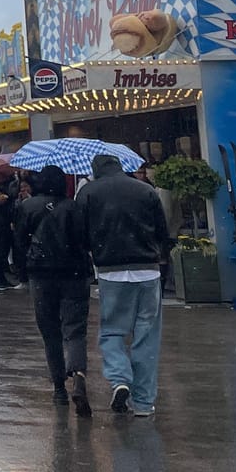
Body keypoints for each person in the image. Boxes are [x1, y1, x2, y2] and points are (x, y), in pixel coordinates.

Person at [75, 154, 171, 416]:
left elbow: (79, 234)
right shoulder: (145, 190)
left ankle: (119, 380)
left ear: (96, 171)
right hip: (148, 271)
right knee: (147, 336)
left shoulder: (88, 192)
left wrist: (93, 252)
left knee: (112, 332)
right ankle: (143, 403)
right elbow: (163, 230)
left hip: (111, 271)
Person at [16, 165, 93, 415]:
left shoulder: (27, 207)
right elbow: (84, 240)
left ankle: (59, 388)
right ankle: (78, 375)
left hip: (41, 274)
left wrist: (23, 271)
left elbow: (19, 242)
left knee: (50, 333)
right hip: (74, 273)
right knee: (75, 330)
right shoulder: (74, 207)